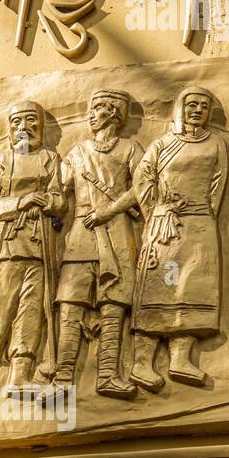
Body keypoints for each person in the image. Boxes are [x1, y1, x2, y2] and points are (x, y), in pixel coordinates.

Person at [130, 87, 229, 391]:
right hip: (166, 223)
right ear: (180, 109)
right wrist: (156, 209)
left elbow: (218, 182)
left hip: (199, 225)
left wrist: (205, 215)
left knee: (192, 285)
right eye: (192, 105)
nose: (197, 110)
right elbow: (141, 177)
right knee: (160, 287)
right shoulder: (163, 144)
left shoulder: (216, 144)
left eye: (204, 106)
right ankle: (141, 363)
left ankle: (181, 359)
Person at [56, 89, 143, 399]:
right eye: (90, 110)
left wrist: (108, 210)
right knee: (70, 303)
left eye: (98, 110)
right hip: (81, 233)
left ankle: (107, 375)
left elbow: (142, 188)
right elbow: (58, 191)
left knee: (114, 304)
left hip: (117, 231)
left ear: (114, 115)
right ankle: (62, 376)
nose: (90, 115)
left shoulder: (131, 149)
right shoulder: (77, 153)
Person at [0, 101, 63, 398]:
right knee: (1, 310)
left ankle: (19, 377)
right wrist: (21, 202)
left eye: (30, 121)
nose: (24, 128)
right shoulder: (0, 160)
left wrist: (46, 202)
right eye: (17, 123)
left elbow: (59, 200)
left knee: (30, 311)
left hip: (38, 247)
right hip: (5, 248)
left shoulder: (50, 158)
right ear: (10, 129)